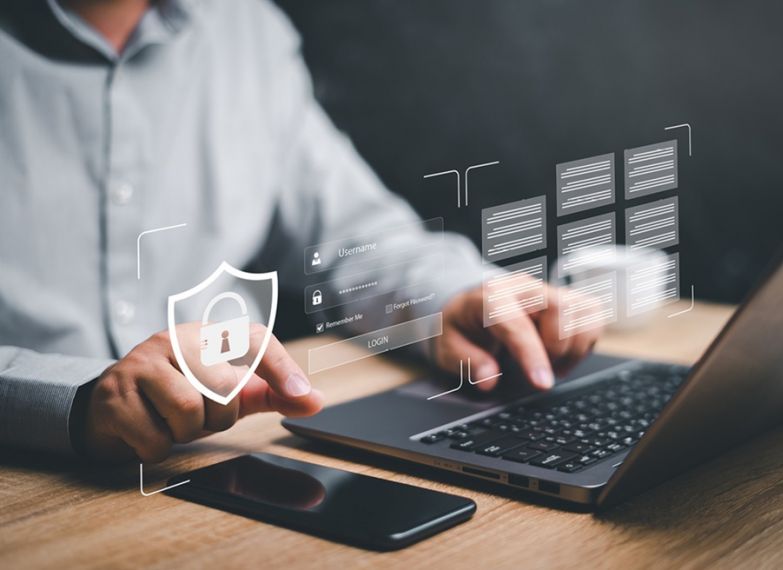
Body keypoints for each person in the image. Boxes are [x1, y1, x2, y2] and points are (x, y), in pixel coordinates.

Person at [0, 0, 600, 463]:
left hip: (213, 463)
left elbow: (354, 233)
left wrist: (452, 297)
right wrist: (72, 399)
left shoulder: (244, 29)